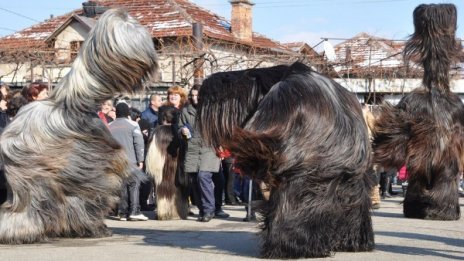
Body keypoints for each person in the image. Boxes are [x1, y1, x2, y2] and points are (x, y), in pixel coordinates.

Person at [180, 85, 229, 222]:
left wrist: (220, 144)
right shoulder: (186, 111)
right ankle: (202, 209)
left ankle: (209, 209)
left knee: (203, 176)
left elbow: (221, 128)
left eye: (197, 95)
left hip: (209, 147)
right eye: (192, 95)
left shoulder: (212, 110)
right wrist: (182, 131)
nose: (195, 98)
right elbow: (180, 126)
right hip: (193, 148)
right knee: (195, 180)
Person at [109, 102, 148, 221]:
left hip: (115, 162)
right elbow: (139, 143)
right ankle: (134, 211)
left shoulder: (109, 126)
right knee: (134, 184)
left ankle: (122, 212)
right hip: (131, 161)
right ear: (127, 113)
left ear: (116, 112)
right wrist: (140, 159)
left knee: (120, 186)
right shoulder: (133, 125)